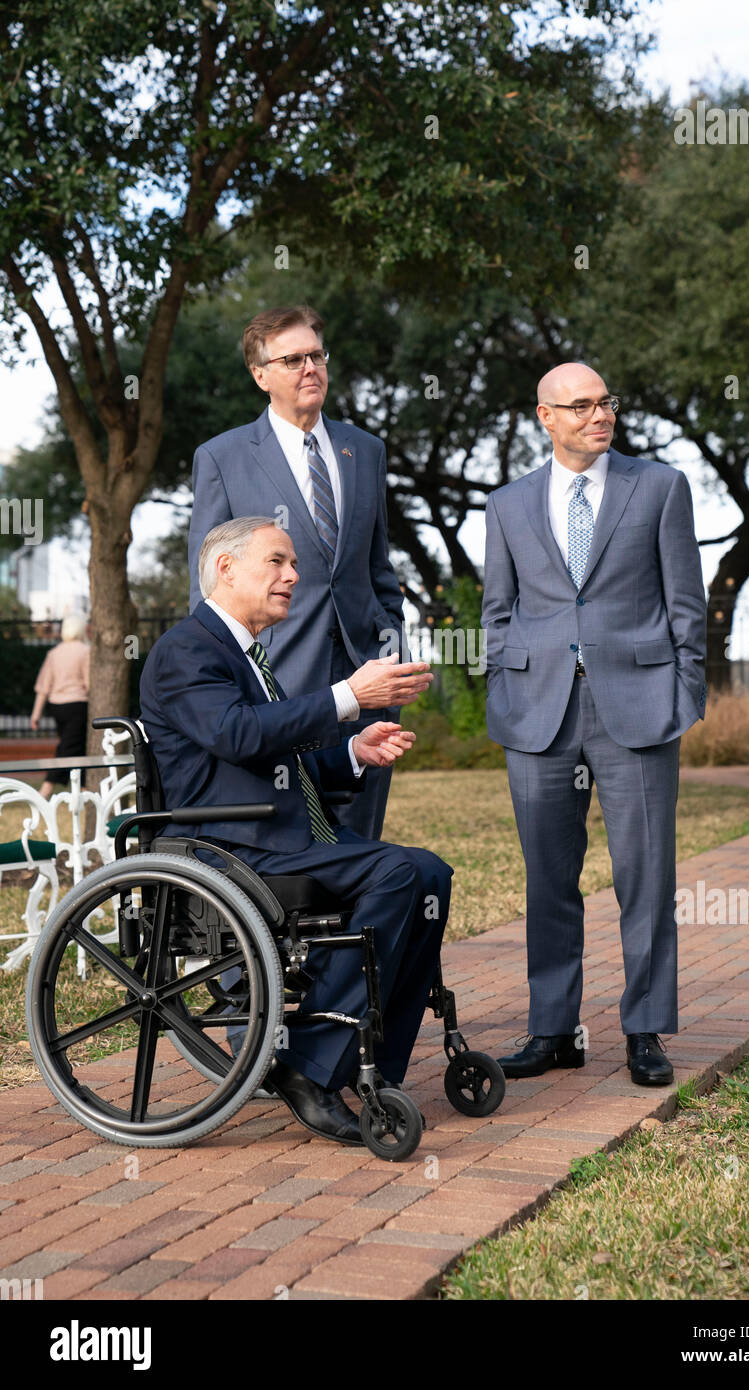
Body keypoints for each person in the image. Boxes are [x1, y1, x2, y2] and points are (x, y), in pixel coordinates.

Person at [140, 516, 449, 1146]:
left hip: (282, 835)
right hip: (230, 846)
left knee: (429, 874)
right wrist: (347, 695)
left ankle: (372, 1071)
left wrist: (355, 751)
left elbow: (274, 758)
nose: (293, 576)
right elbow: (238, 736)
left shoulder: (249, 654)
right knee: (396, 873)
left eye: (295, 565)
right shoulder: (187, 649)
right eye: (278, 562)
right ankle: (307, 1067)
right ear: (225, 569)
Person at [482, 363, 707, 1087]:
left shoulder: (661, 487)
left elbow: (686, 604)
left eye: (605, 402)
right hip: (538, 712)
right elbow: (497, 609)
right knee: (548, 878)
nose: (598, 415)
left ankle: (644, 1029)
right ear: (544, 416)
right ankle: (553, 1031)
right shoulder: (508, 504)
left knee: (644, 875)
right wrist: (503, 686)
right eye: (580, 406)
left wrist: (685, 693)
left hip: (638, 707)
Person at [187, 304, 406, 840]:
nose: (310, 368)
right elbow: (210, 585)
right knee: (292, 843)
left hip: (367, 676)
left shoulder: (367, 451)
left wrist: (391, 646)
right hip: (278, 687)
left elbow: (378, 568)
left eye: (316, 355)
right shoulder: (222, 457)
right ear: (261, 375)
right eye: (293, 360)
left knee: (362, 843)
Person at [30, 614, 90, 799]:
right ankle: (46, 790)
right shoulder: (86, 651)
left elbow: (43, 686)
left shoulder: (54, 653)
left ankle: (85, 792)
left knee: (76, 747)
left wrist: (36, 714)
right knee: (68, 748)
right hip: (77, 706)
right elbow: (90, 684)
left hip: (56, 708)